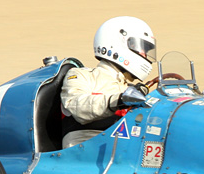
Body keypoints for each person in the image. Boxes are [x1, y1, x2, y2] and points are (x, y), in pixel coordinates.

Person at [60, 16, 157, 148]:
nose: (145, 55)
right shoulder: (81, 75)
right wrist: (118, 100)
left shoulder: (129, 89)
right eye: (142, 48)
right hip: (85, 152)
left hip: (123, 151)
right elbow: (78, 107)